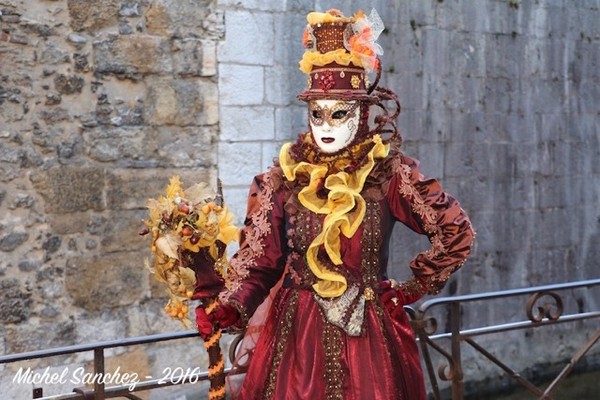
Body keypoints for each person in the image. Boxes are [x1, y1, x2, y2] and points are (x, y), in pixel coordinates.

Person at [194, 9, 475, 399]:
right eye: (317, 113)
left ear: (361, 113)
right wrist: (229, 306)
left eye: (338, 113)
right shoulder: (284, 179)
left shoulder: (386, 174)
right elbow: (261, 265)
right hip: (292, 341)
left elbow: (455, 232)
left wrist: (407, 290)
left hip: (366, 341)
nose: (326, 126)